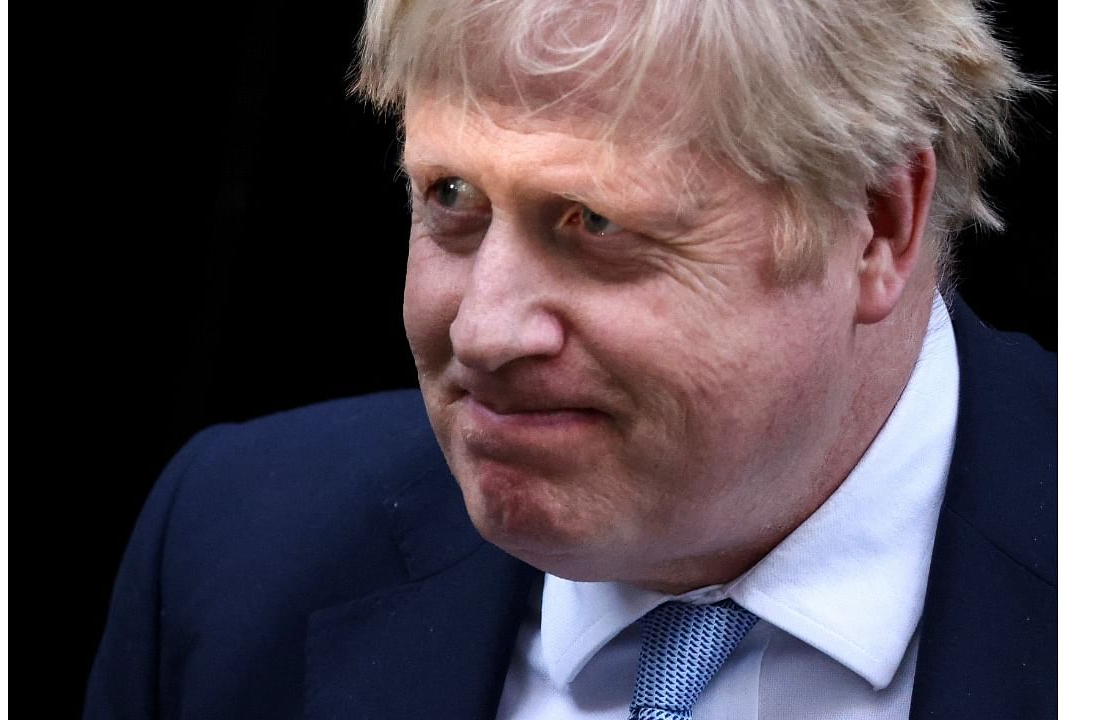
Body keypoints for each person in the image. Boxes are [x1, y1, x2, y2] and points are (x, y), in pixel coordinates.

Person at [85, 1, 1055, 718]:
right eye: (452, 197)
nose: (483, 330)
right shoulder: (237, 548)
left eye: (592, 221)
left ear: (875, 225)